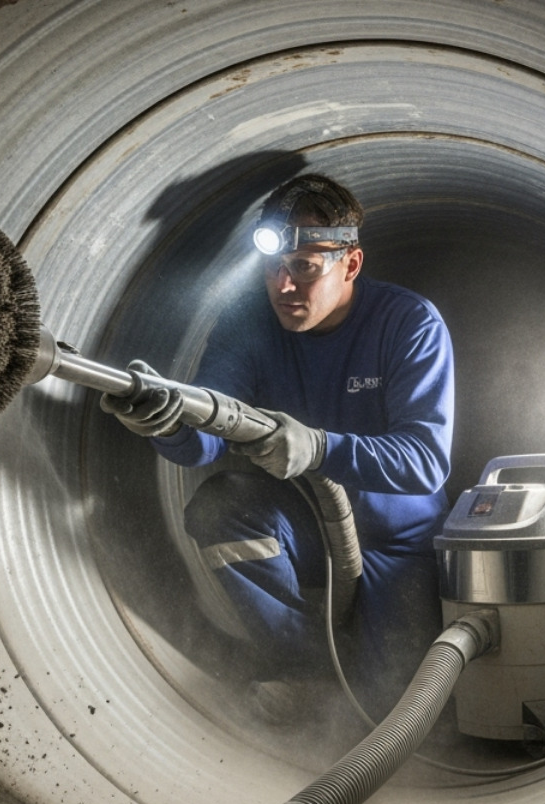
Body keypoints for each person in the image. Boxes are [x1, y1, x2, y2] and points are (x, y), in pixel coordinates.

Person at [102, 174, 455, 713]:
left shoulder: (407, 323)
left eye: (305, 269)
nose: (283, 287)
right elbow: (209, 436)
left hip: (398, 544)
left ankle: (362, 695)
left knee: (398, 708)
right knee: (223, 507)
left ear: (350, 264)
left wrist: (319, 448)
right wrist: (167, 423)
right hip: (305, 529)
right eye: (273, 269)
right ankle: (305, 668)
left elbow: (425, 462)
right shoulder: (249, 325)